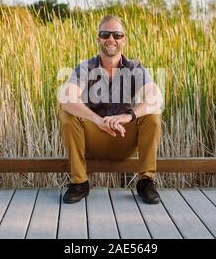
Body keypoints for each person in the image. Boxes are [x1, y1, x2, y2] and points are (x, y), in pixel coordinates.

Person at [58, 14, 163, 204]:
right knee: (67, 114)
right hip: (94, 139)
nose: (111, 39)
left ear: (124, 39)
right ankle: (79, 182)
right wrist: (98, 120)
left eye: (116, 34)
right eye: (105, 34)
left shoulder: (135, 68)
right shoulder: (85, 68)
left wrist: (128, 116)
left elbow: (157, 99)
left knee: (152, 115)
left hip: (124, 139)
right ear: (98, 39)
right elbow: (66, 98)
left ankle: (146, 181)